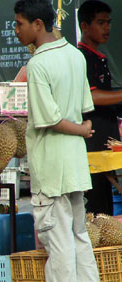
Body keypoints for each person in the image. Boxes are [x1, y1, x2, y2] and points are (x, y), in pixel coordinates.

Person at [13, 0, 105, 282]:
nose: (16, 30)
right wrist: (80, 129)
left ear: (38, 24)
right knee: (78, 231)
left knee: (57, 233)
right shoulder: (75, 55)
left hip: (51, 163)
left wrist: (79, 128)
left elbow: (49, 119)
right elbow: (81, 106)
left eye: (20, 23)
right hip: (75, 161)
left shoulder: (38, 65)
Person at [78, 0, 122, 215]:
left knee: (106, 207)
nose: (107, 28)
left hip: (105, 145)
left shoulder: (99, 57)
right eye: (101, 22)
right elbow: (91, 96)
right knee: (95, 210)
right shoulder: (82, 57)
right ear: (85, 26)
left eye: (109, 22)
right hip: (91, 146)